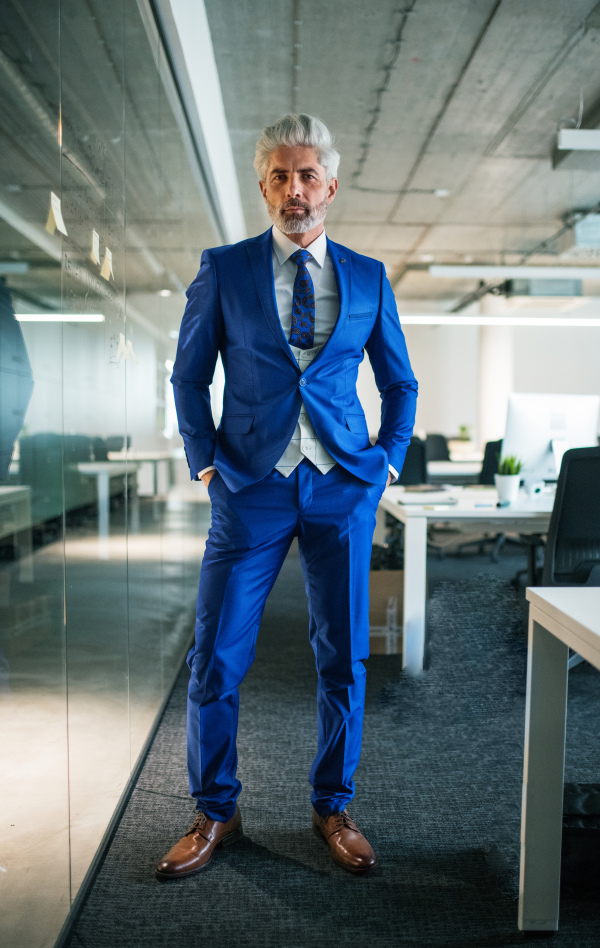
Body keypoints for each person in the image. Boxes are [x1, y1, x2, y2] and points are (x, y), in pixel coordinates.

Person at [156, 113, 417, 881]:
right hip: (250, 488)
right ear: (263, 185)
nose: (294, 190)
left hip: (342, 487)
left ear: (329, 187)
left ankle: (332, 805)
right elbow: (188, 376)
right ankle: (215, 811)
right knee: (215, 660)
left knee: (344, 658)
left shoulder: (368, 277)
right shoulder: (226, 269)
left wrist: (386, 463)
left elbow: (399, 381)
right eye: (280, 175)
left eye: (307, 176)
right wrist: (207, 463)